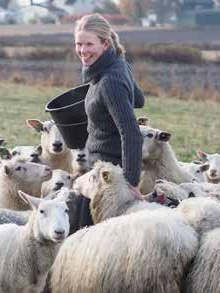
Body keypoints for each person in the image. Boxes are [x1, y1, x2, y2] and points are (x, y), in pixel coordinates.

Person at [73, 13, 145, 229]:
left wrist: (130, 183)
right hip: (96, 168)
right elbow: (139, 99)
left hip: (106, 177)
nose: (83, 50)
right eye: (78, 44)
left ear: (105, 44)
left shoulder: (109, 81)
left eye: (89, 44)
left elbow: (131, 132)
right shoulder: (117, 64)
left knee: (84, 238)